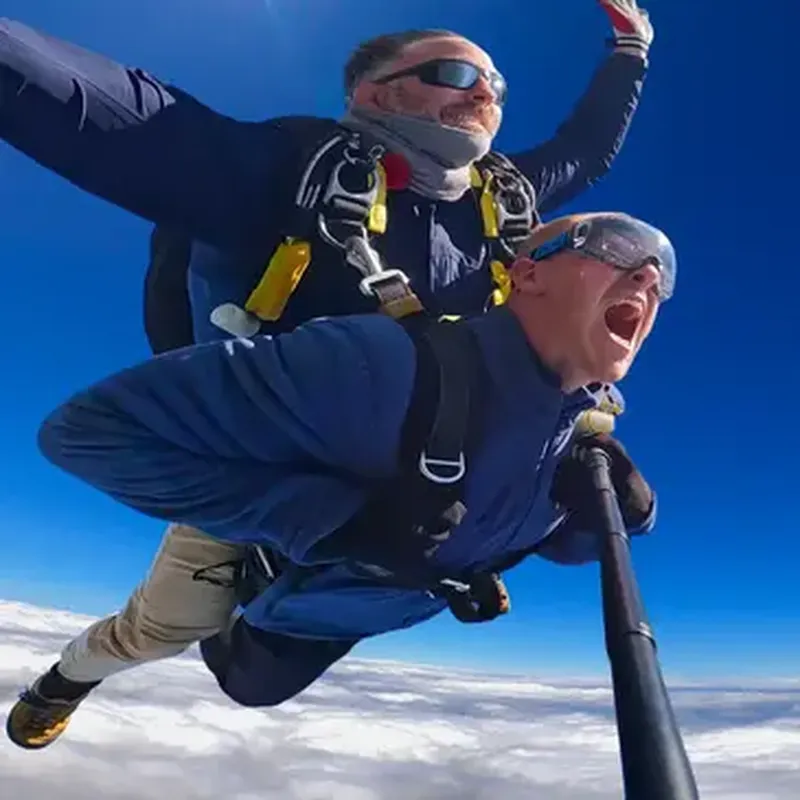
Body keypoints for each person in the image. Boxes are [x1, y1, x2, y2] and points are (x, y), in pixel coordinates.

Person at [7, 211, 672, 748]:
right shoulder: (379, 367)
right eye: (617, 247)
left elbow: (529, 530)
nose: (647, 276)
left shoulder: (573, 440)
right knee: (159, 631)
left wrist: (612, 521)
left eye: (662, 277)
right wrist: (326, 520)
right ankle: (62, 683)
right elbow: (85, 432)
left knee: (254, 686)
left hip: (348, 602)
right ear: (527, 274)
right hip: (268, 531)